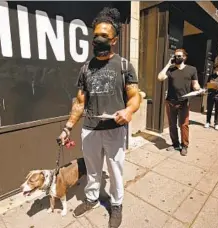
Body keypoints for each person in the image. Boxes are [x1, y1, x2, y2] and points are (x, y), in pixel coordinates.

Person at [57, 7, 141, 228]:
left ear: (114, 40)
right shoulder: (85, 69)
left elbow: (134, 97)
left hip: (114, 129)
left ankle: (116, 205)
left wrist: (129, 111)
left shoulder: (124, 66)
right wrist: (67, 127)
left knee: (115, 171)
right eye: (96, 35)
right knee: (93, 170)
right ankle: (92, 198)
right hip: (90, 130)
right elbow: (79, 102)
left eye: (104, 35)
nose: (99, 39)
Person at [157, 49, 202, 156]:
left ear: (184, 57)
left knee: (184, 125)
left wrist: (199, 89)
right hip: (170, 101)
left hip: (184, 102)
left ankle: (184, 145)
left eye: (179, 56)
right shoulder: (171, 70)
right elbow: (160, 77)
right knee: (172, 125)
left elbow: (195, 84)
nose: (177, 58)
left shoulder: (192, 69)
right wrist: (168, 64)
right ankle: (175, 144)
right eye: (175, 56)